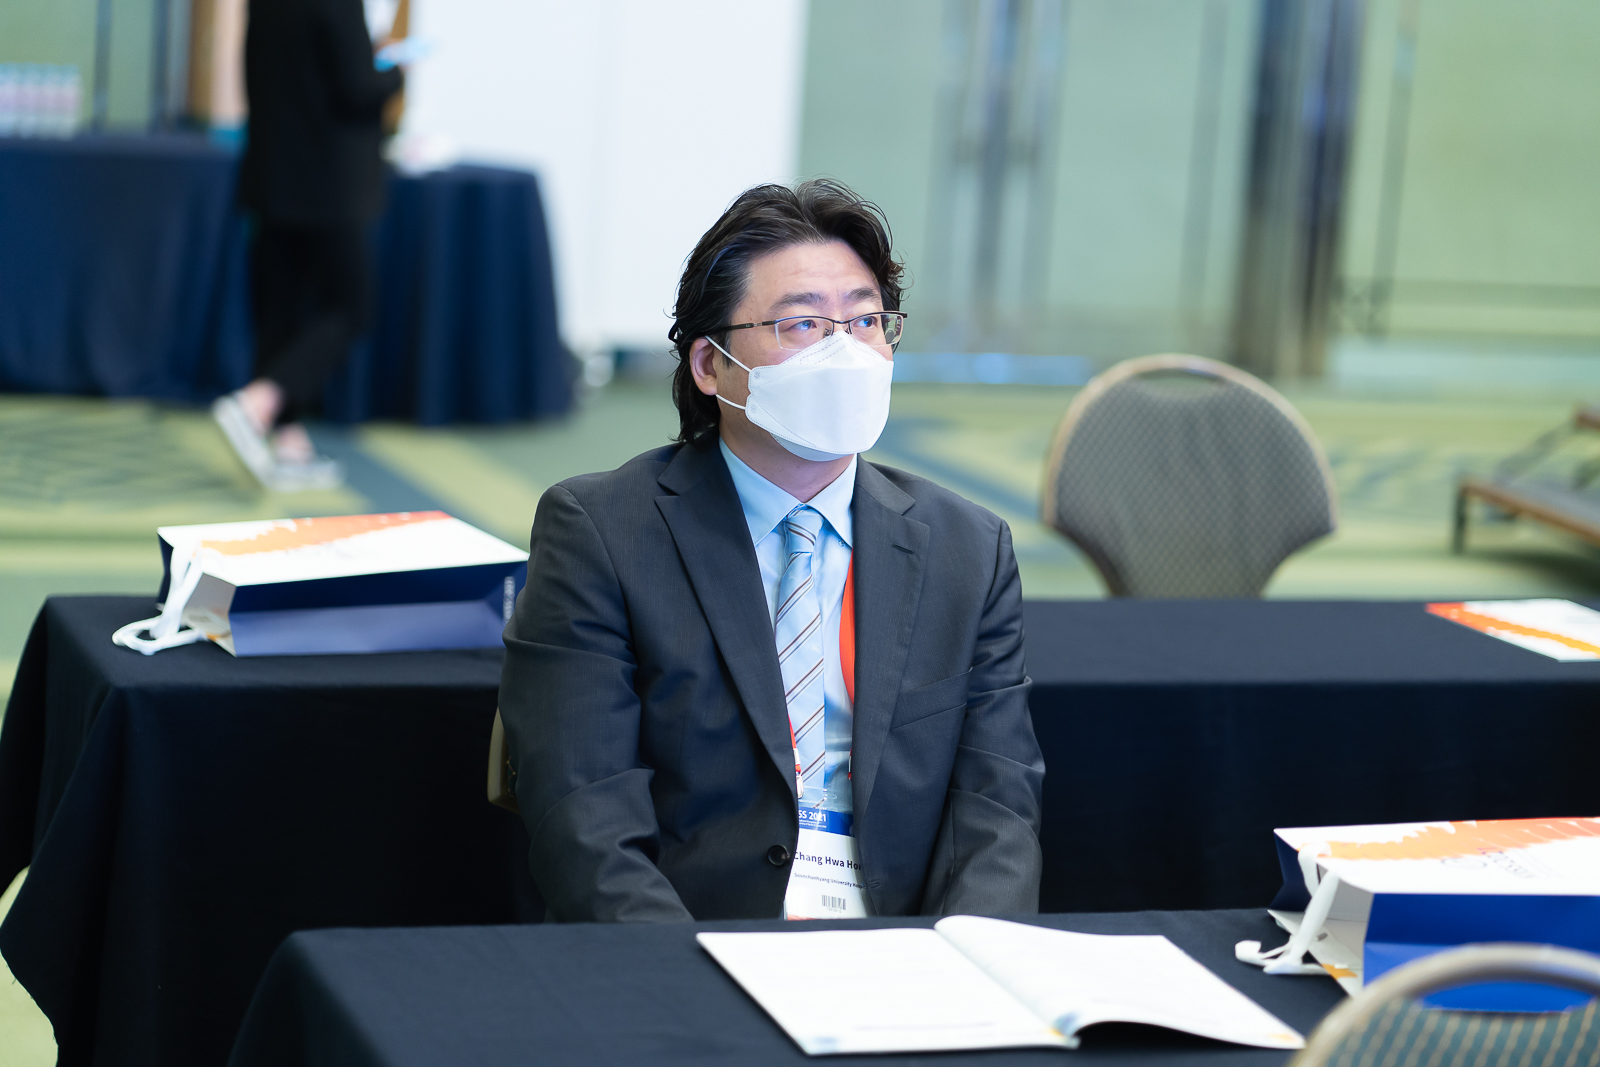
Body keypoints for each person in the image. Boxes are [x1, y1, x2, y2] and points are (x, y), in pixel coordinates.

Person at [499, 179, 1044, 923]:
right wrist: (684, 975)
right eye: (802, 324)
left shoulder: (967, 546)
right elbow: (583, 812)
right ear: (710, 364)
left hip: (900, 948)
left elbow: (998, 804)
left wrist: (965, 958)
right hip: (692, 941)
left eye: (865, 320)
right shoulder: (601, 532)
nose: (845, 352)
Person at [214, 0, 404, 490]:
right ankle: (259, 402)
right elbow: (358, 89)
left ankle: (287, 442)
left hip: (272, 174)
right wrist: (395, 72)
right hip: (330, 184)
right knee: (352, 308)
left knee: (281, 311)